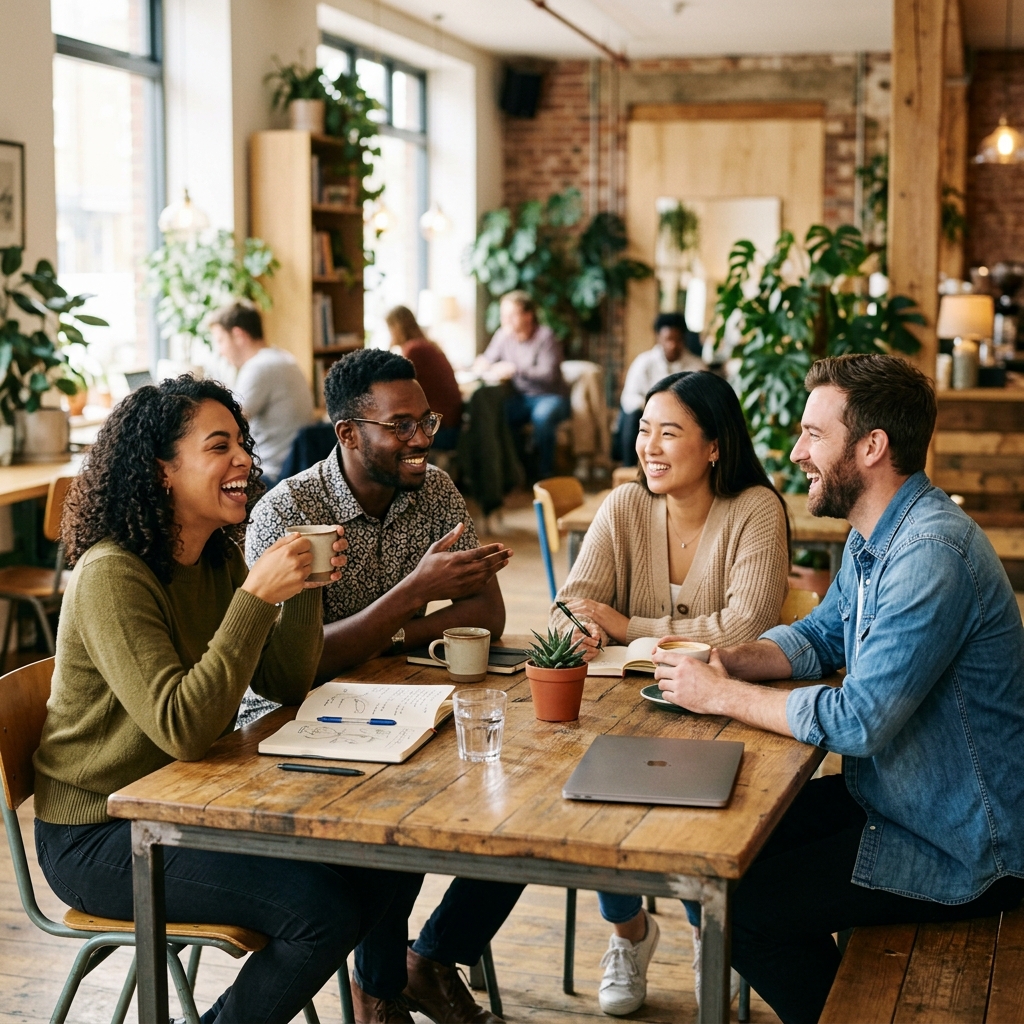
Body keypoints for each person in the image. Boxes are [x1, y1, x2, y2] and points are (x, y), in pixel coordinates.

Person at [653, 354, 1024, 1024]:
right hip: (895, 798)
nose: (797, 452)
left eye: (813, 435)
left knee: (742, 905)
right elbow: (821, 636)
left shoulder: (931, 555)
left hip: (964, 843)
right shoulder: (873, 536)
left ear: (871, 446)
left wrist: (720, 696)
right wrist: (729, 659)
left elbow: (859, 722)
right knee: (700, 856)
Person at [31, 376, 405, 1024]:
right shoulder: (112, 574)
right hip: (101, 833)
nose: (242, 460)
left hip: (185, 799)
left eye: (241, 442)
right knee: (321, 913)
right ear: (163, 470)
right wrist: (257, 597)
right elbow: (184, 727)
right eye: (218, 445)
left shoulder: (213, 558)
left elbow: (283, 684)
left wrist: (304, 590)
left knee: (380, 862)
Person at [243, 348, 518, 1023]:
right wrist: (412, 597)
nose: (422, 439)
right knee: (401, 815)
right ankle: (380, 990)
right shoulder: (290, 515)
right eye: (401, 426)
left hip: (390, 702)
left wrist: (387, 638)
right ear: (348, 432)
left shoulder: (435, 492)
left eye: (426, 421)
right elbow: (293, 668)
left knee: (513, 807)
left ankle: (429, 959)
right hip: (280, 732)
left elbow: (487, 613)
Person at [549, 369, 790, 1017]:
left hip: (727, 715)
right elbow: (571, 604)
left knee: (693, 817)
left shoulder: (755, 510)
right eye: (644, 431)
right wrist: (577, 629)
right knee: (591, 806)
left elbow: (745, 629)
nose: (649, 447)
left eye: (670, 433)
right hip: (628, 711)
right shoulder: (624, 505)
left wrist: (628, 629)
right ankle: (630, 934)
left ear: (714, 446)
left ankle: (706, 936)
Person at [210, 301, 315, 484]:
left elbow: (227, 422)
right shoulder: (282, 358)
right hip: (296, 468)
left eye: (220, 341)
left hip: (272, 475)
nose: (220, 351)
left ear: (238, 335)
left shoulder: (258, 368)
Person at [474, 290, 568, 478]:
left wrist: (515, 369)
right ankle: (516, 471)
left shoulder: (545, 337)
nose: (505, 319)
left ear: (528, 315)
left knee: (542, 418)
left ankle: (544, 474)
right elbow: (487, 359)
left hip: (550, 396)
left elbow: (548, 375)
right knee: (500, 415)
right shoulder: (503, 335)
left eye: (511, 315)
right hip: (521, 398)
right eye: (503, 315)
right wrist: (483, 363)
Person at [617, 312, 705, 467]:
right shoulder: (644, 363)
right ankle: (629, 468)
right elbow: (629, 398)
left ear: (683, 339)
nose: (673, 345)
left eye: (677, 340)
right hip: (648, 417)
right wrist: (654, 410)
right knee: (631, 417)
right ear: (658, 338)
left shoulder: (697, 366)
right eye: (668, 340)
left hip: (683, 419)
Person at [386, 304, 463, 450]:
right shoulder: (427, 345)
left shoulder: (414, 350)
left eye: (389, 329)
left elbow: (395, 391)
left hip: (440, 429)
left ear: (396, 328)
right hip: (451, 425)